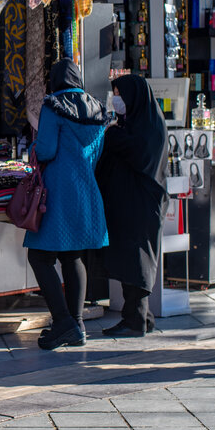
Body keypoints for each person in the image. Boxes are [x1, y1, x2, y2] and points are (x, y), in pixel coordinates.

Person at [24, 60, 112, 350]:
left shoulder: (54, 105)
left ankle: (63, 321)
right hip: (86, 189)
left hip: (58, 190)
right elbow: (98, 154)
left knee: (40, 256)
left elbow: (47, 149)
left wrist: (32, 149)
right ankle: (77, 325)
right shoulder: (98, 108)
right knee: (73, 257)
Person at [96, 75, 168, 337]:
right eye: (114, 93)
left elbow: (140, 154)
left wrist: (113, 135)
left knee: (137, 260)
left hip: (142, 205)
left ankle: (135, 319)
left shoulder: (149, 127)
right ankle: (141, 316)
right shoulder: (134, 124)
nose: (116, 100)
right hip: (130, 205)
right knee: (131, 259)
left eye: (120, 94)